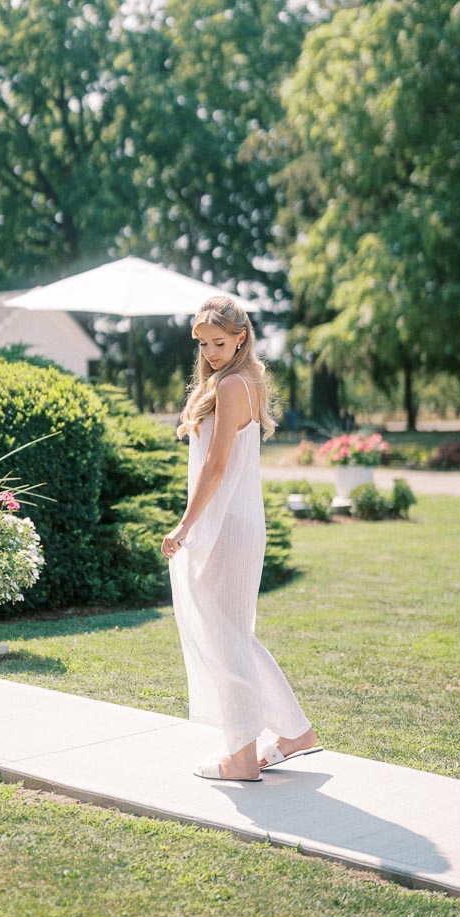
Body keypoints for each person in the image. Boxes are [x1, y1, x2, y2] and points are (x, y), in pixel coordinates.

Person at [161, 295, 319, 781]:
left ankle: (242, 757)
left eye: (220, 342)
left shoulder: (232, 385)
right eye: (204, 344)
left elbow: (217, 464)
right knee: (233, 636)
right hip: (235, 522)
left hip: (225, 526)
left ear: (242, 338)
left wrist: (185, 526)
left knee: (226, 639)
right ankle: (292, 732)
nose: (210, 351)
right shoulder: (243, 379)